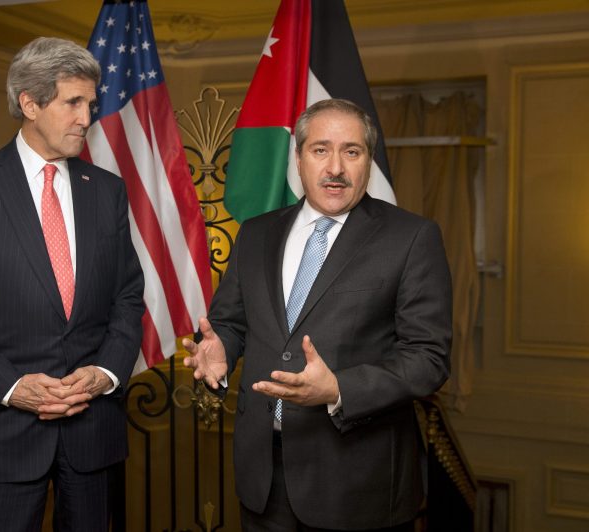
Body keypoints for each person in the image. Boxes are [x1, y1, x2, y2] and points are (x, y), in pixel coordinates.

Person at [183, 98, 452, 531]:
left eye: (352, 151)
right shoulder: (256, 233)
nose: (335, 168)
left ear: (369, 160)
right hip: (262, 480)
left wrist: (339, 389)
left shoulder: (412, 237)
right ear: (299, 158)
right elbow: (232, 322)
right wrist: (221, 353)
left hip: (357, 484)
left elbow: (428, 358)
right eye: (320, 150)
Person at [0, 37, 144, 532]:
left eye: (91, 103)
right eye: (73, 103)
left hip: (92, 434)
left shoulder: (107, 191)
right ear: (30, 103)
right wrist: (11, 387)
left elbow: (128, 297)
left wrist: (105, 372)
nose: (87, 117)